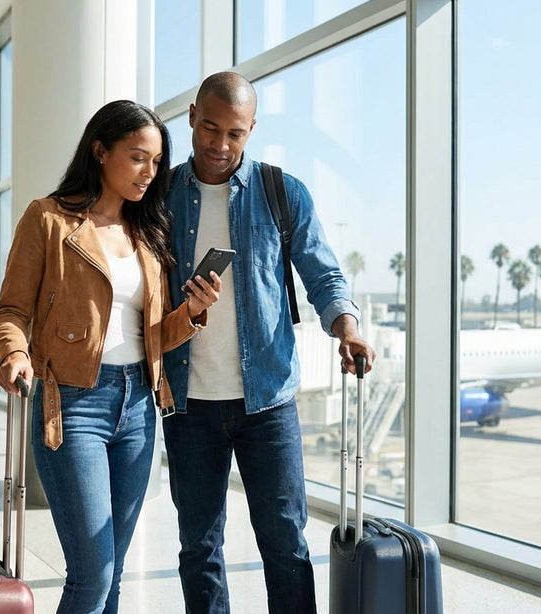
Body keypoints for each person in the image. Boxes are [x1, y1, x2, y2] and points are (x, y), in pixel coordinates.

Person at [0, 99, 222, 614]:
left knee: (112, 573)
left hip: (139, 407)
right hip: (72, 404)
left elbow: (156, 334)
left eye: (157, 161)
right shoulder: (48, 219)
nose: (150, 171)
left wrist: (195, 310)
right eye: (138, 157)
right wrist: (15, 353)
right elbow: (10, 310)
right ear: (100, 151)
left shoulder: (148, 230)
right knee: (93, 572)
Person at [162, 72, 377, 614]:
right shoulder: (159, 197)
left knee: (285, 545)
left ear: (251, 129)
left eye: (235, 134)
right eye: (210, 128)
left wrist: (346, 326)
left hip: (269, 404)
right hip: (187, 405)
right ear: (191, 117)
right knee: (199, 548)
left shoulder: (282, 192)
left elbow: (324, 275)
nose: (220, 144)